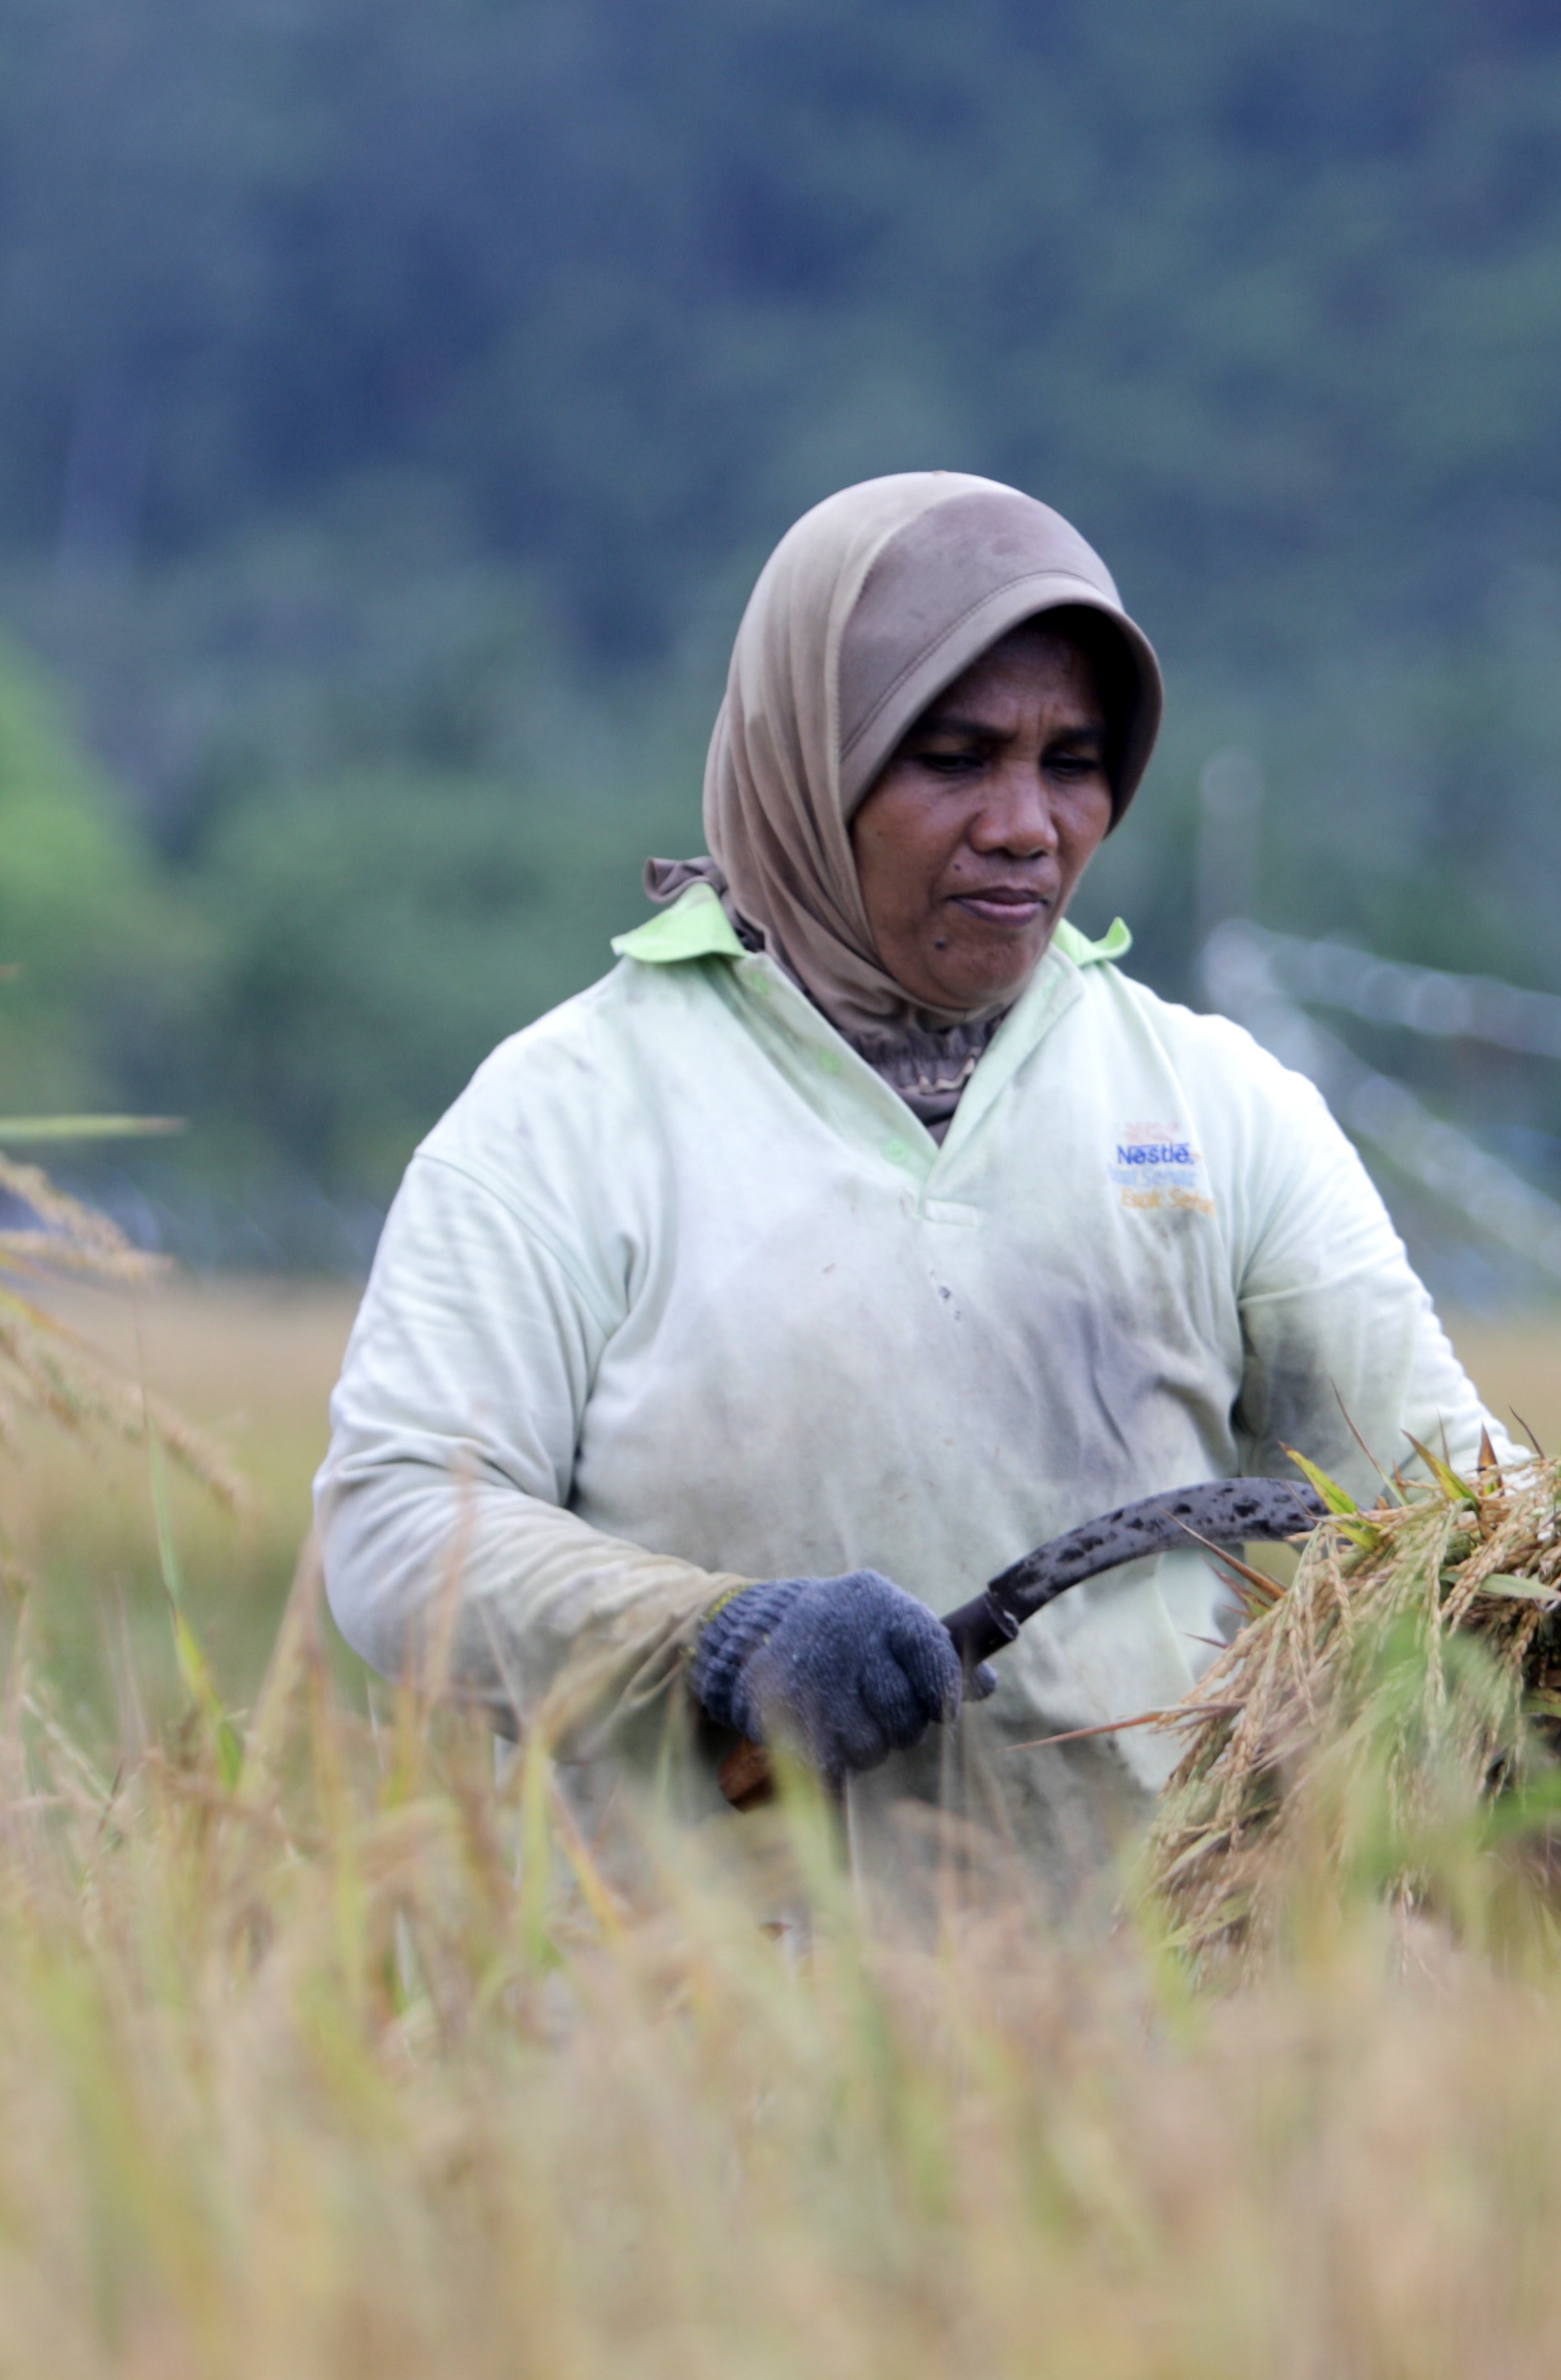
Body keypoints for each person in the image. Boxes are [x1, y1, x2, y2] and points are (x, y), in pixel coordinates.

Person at [313, 470, 1500, 1909]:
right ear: (811, 766)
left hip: (1142, 2051)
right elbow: (396, 1529)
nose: (1025, 823)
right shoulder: (571, 1117)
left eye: (1073, 761)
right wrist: (717, 1642)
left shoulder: (1216, 1109)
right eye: (954, 757)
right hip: (684, 2057)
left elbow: (1446, 1503)